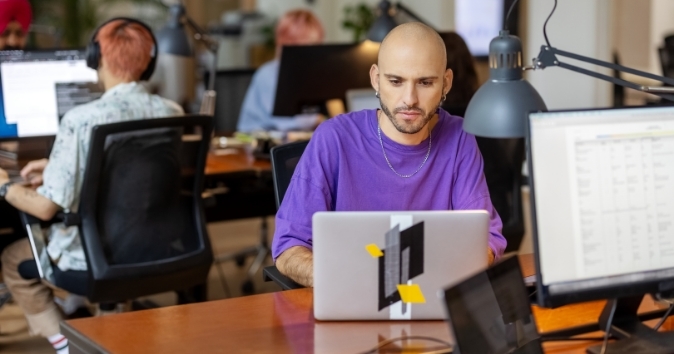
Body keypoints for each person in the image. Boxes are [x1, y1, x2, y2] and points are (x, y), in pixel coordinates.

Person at [272, 22, 506, 287]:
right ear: (375, 79)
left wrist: (441, 277)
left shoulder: (459, 138)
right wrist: (348, 282)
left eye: (425, 82)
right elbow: (288, 248)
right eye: (395, 81)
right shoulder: (333, 138)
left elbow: (487, 239)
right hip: (349, 294)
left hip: (429, 297)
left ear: (446, 83)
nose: (410, 99)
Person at [0, 19, 183, 354]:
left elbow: (45, 207)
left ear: (95, 57)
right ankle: (107, 329)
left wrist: (3, 185)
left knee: (12, 259)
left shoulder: (81, 119)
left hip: (94, 256)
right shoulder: (171, 111)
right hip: (153, 245)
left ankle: (65, 344)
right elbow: (131, 171)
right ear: (149, 60)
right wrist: (58, 165)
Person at [237, 9, 324, 132]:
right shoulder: (267, 74)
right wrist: (315, 120)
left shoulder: (314, 75)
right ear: (283, 43)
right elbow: (279, 122)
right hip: (260, 139)